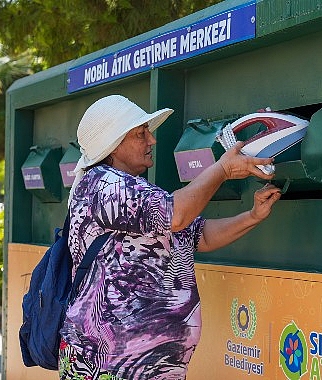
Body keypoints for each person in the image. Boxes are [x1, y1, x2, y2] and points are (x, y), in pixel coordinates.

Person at [59, 95, 281, 380]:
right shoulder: (103, 184)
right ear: (112, 144)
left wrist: (252, 216)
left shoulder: (134, 189)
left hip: (149, 367)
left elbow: (200, 236)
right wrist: (222, 170)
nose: (151, 140)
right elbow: (176, 214)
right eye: (141, 134)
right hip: (110, 365)